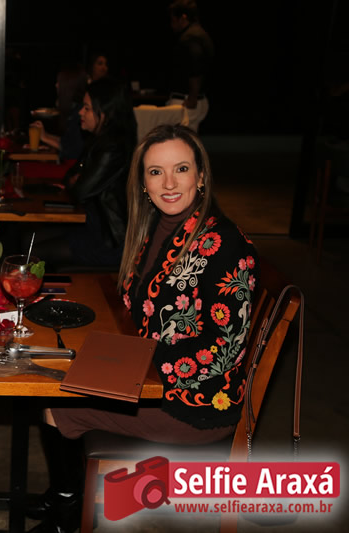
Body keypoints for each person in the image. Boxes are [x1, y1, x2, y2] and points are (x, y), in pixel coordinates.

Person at [28, 124, 259, 532]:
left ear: (200, 176)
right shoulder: (155, 228)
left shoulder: (223, 243)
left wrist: (140, 371)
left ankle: (67, 512)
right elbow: (138, 309)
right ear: (143, 184)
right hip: (152, 379)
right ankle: (66, 495)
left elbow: (224, 349)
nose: (169, 183)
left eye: (181, 169)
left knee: (57, 405)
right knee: (49, 376)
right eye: (156, 172)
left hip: (196, 405)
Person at [31, 77, 137, 268]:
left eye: (87, 108)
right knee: (30, 240)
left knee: (35, 252)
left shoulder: (114, 147)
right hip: (93, 226)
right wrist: (77, 180)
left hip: (110, 241)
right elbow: (70, 176)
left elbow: (79, 191)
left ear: (104, 113)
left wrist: (77, 180)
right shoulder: (99, 139)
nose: (80, 112)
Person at [166, 0, 214, 131]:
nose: (172, 25)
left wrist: (192, 97)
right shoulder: (201, 34)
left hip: (186, 100)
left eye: (173, 20)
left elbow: (196, 67)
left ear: (183, 18)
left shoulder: (190, 38)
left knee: (179, 138)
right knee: (189, 138)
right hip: (197, 98)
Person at [29, 64, 87, 161]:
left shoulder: (79, 113)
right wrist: (45, 134)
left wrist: (45, 138)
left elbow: (73, 152)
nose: (56, 85)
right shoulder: (74, 108)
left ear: (69, 86)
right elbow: (66, 141)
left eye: (60, 82)